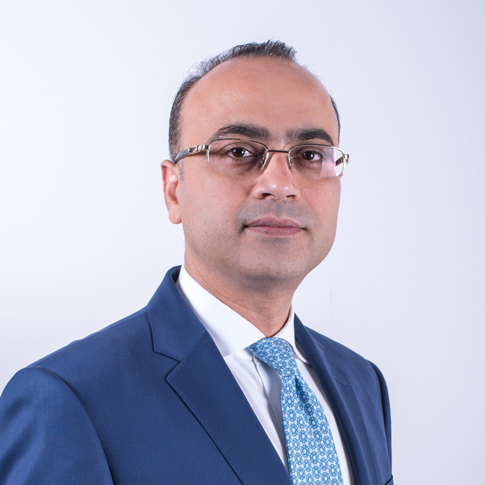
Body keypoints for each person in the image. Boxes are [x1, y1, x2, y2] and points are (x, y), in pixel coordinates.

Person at [0, 41, 393, 485]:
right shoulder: (68, 400)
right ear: (173, 189)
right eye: (239, 152)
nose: (281, 185)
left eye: (310, 156)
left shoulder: (362, 383)